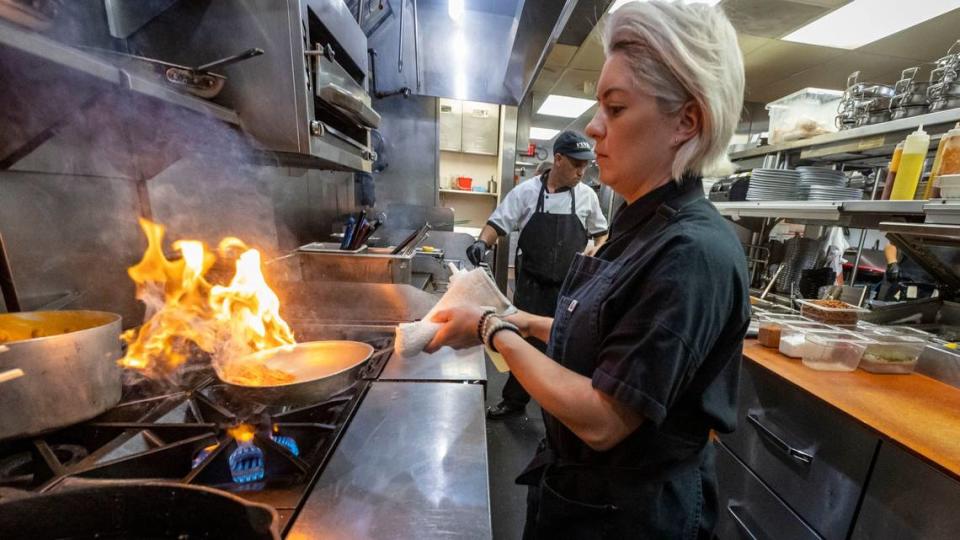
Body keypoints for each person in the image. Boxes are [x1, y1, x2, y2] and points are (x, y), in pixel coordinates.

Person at [425, 1, 748, 537]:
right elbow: (612, 340)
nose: (594, 130)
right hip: (584, 495)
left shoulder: (692, 253)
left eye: (615, 109)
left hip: (629, 516)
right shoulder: (639, 224)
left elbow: (604, 419)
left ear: (686, 121)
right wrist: (523, 320)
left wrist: (491, 329)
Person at [467, 131, 609, 419]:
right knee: (523, 344)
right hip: (531, 284)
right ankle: (515, 402)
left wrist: (598, 252)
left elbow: (601, 233)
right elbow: (499, 221)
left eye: (586, 165)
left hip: (571, 288)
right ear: (558, 160)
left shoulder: (587, 197)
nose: (583, 171)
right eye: (576, 164)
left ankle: (562, 415)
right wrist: (482, 242)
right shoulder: (527, 192)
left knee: (567, 347)